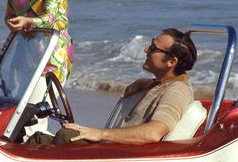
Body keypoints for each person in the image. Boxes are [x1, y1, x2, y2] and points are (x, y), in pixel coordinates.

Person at [58, 29, 197, 145]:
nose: (146, 49)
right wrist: (144, 82)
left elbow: (153, 133)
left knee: (66, 134)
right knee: (39, 138)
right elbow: (162, 86)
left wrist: (100, 133)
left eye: (153, 48)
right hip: (114, 150)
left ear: (171, 62)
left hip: (121, 157)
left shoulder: (178, 90)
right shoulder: (164, 83)